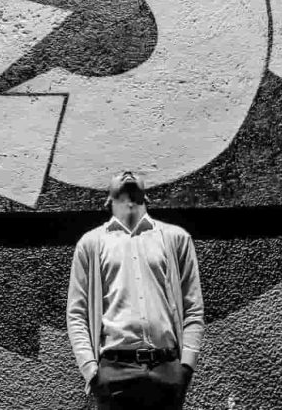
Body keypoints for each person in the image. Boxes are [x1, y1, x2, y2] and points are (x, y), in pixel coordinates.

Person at [66, 171, 204, 409]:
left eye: (135, 173)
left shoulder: (176, 238)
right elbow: (76, 313)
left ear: (147, 195)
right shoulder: (90, 244)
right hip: (113, 372)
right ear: (107, 200)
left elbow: (193, 308)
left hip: (167, 369)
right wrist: (92, 371)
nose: (127, 172)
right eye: (119, 174)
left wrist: (185, 369)